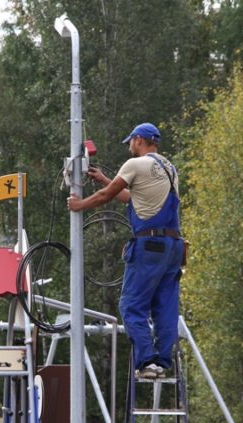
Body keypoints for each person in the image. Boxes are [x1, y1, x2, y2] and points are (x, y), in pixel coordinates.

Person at [67, 122, 184, 379]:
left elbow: (105, 196)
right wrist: (106, 180)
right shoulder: (169, 168)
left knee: (132, 305)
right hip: (173, 247)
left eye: (130, 141)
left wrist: (79, 204)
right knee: (165, 306)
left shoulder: (135, 165)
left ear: (139, 140)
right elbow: (134, 198)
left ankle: (146, 362)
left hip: (149, 246)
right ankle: (162, 362)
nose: (129, 146)